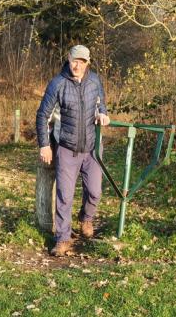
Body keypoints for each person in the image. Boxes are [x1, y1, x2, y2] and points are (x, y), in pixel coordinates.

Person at [36, 45, 110, 257]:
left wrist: (102, 114)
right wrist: (44, 145)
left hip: (92, 148)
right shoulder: (57, 84)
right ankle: (62, 238)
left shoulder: (94, 81)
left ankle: (86, 218)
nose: (77, 65)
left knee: (95, 192)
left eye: (82, 62)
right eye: (74, 60)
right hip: (67, 148)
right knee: (64, 196)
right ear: (68, 59)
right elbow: (42, 115)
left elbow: (101, 103)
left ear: (88, 63)